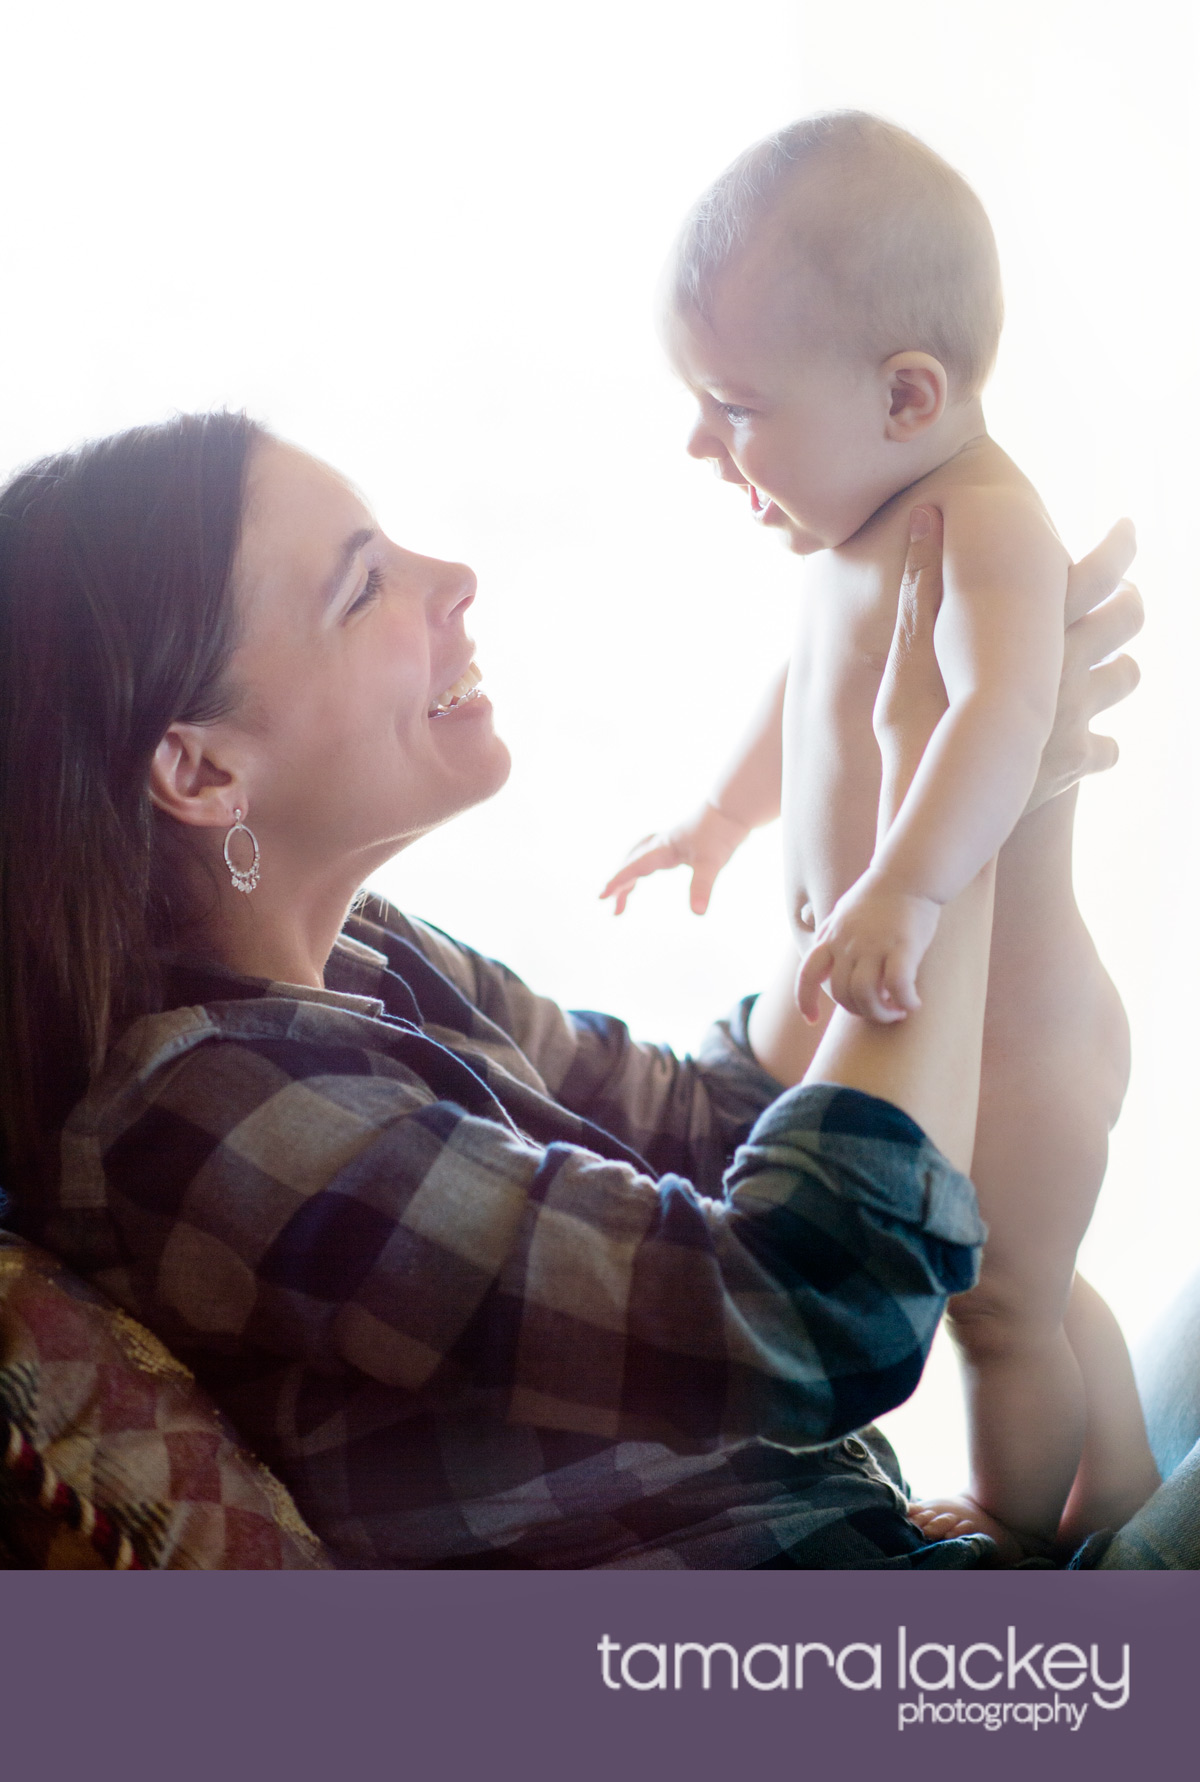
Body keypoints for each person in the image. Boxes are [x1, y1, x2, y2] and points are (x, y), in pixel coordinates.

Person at [0, 412, 1139, 1568]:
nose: (456, 581)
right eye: (364, 589)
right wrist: (953, 836)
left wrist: (937, 764)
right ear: (201, 771)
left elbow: (714, 1120)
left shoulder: (367, 959)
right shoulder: (208, 1124)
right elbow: (815, 1311)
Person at [601, 112, 1159, 1555]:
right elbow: (809, 689)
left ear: (908, 392)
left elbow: (1000, 718)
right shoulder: (858, 525)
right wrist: (722, 814)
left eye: (732, 403)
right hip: (961, 1035)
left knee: (1000, 1313)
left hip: (1018, 1041)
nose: (697, 440)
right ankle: (1138, 1480)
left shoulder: (984, 525)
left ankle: (1024, 1530)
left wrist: (907, 892)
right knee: (1040, 1280)